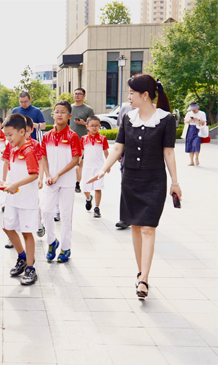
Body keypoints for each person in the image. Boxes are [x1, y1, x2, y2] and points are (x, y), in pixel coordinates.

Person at [88, 74, 181, 299]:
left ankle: (144, 279)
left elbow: (168, 152)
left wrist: (175, 183)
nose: (128, 96)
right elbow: (118, 148)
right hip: (130, 180)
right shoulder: (128, 118)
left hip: (154, 180)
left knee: (149, 227)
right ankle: (140, 271)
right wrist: (103, 169)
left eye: (131, 93)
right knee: (137, 228)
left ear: (145, 95)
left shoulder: (166, 119)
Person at [0, 114, 40, 285]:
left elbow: (34, 174)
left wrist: (15, 184)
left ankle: (30, 268)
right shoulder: (14, 149)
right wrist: (8, 183)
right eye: (6, 135)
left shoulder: (29, 150)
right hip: (13, 198)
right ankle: (22, 257)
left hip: (27, 201)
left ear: (23, 132)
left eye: (10, 135)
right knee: (7, 227)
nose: (8, 139)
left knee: (26, 233)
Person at [42, 100, 82, 263]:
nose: (59, 114)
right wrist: (47, 175)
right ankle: (52, 242)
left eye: (62, 112)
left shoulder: (72, 136)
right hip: (51, 181)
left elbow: (75, 159)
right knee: (47, 212)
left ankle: (65, 248)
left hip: (66, 181)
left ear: (69, 116)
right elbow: (43, 157)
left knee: (65, 215)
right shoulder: (46, 136)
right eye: (56, 111)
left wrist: (58, 174)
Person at [80, 116, 109, 218]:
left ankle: (97, 208)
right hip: (87, 167)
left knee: (98, 188)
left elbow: (106, 152)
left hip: (99, 168)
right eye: (92, 126)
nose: (94, 128)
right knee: (85, 188)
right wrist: (77, 164)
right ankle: (88, 199)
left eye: (96, 126)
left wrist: (108, 165)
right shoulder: (84, 138)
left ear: (100, 126)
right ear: (87, 126)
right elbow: (81, 153)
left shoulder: (102, 139)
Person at [69, 88, 96, 193]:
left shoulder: (88, 109)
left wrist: (84, 123)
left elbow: (94, 125)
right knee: (69, 161)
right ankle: (70, 182)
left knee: (79, 163)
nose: (77, 96)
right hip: (69, 140)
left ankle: (77, 183)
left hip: (83, 141)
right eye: (75, 94)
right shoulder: (69, 108)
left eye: (79, 94)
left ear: (84, 96)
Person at [182, 101, 207, 166]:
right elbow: (185, 122)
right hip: (190, 129)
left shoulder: (202, 113)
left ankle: (196, 158)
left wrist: (197, 120)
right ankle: (191, 161)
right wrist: (190, 120)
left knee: (196, 144)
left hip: (198, 130)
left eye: (194, 109)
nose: (193, 111)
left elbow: (203, 122)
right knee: (189, 144)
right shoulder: (188, 114)